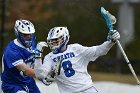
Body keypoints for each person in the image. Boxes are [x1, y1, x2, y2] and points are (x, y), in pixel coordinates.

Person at [35, 27, 120, 93]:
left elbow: (98, 51)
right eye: (51, 42)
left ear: (65, 39)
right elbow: (40, 75)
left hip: (87, 89)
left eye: (56, 41)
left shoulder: (76, 48)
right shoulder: (49, 57)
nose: (53, 44)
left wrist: (110, 42)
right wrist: (38, 56)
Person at [1, 19, 47, 93]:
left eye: (31, 34)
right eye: (25, 35)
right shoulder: (12, 50)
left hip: (28, 82)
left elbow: (34, 63)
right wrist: (44, 74)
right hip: (12, 85)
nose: (29, 37)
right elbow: (27, 71)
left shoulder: (31, 43)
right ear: (18, 34)